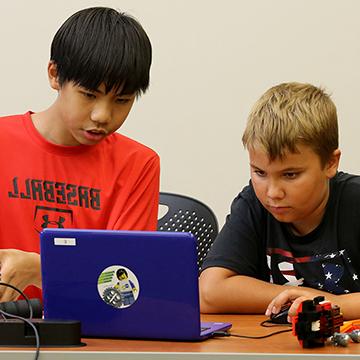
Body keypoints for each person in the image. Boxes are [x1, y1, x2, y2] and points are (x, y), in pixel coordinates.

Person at [0, 7, 160, 302]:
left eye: (122, 101)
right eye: (89, 95)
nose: (103, 115)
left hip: (93, 336)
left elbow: (126, 282)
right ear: (55, 74)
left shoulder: (138, 164)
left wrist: (42, 269)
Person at [199, 82, 360, 320]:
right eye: (260, 173)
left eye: (290, 175)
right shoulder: (253, 203)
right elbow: (209, 292)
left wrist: (331, 305)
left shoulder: (354, 201)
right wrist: (300, 296)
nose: (273, 192)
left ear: (330, 163)